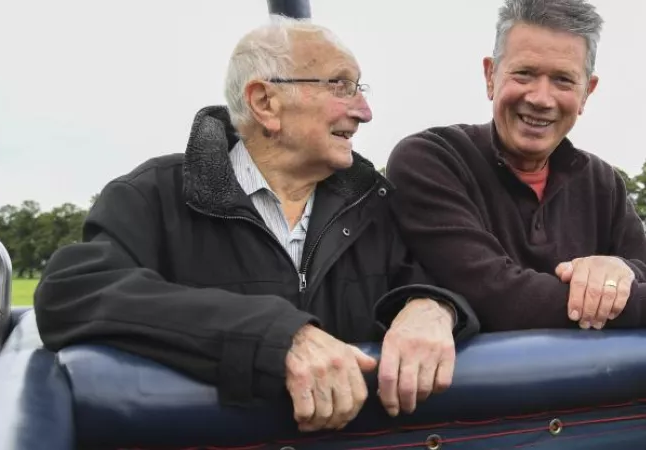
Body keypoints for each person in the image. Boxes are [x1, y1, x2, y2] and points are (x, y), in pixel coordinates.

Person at [33, 17, 479, 433]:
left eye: (358, 88)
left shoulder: (376, 204)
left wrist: (434, 307)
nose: (364, 111)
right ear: (265, 102)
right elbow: (72, 291)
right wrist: (275, 337)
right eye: (341, 86)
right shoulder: (152, 195)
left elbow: (436, 281)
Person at [386, 0, 646, 335]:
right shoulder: (431, 159)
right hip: (479, 409)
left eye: (563, 80)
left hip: (591, 409)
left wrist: (619, 271)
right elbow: (497, 297)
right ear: (490, 76)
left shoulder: (602, 182)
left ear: (586, 93)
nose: (541, 98)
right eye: (524, 74)